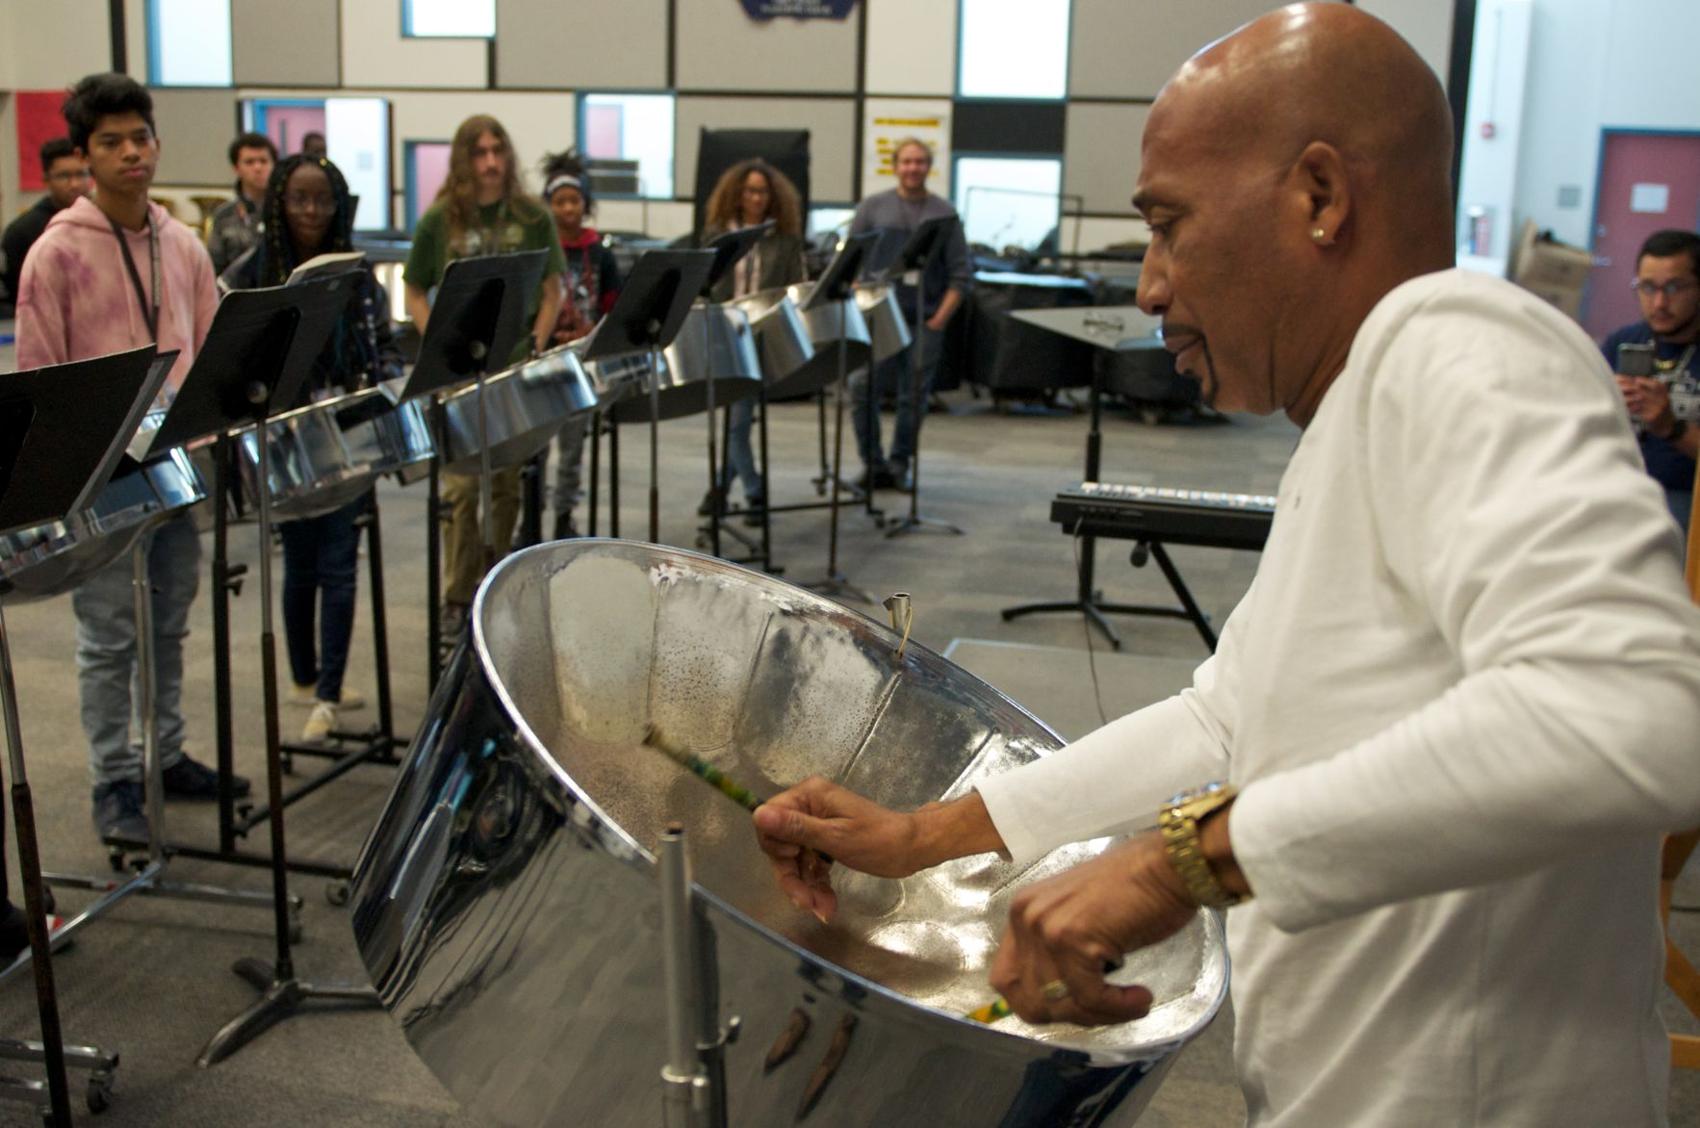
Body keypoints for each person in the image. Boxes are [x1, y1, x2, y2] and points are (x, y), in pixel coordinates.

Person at [750, 7, 1700, 1127]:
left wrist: (1174, 869)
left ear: (1318, 196)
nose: (1149, 286)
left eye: (1167, 225)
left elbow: (1635, 711)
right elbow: (1224, 721)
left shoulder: (1452, 341)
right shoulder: (1353, 417)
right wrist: (925, 834)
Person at [16, 73, 252, 844]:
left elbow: (214, 350)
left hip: (175, 471)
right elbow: (39, 382)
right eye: (111, 142)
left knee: (169, 625)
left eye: (140, 138)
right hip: (103, 482)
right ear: (85, 155)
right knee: (110, 633)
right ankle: (114, 777)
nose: (130, 154)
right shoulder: (55, 254)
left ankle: (167, 749)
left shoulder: (182, 244)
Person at [221, 154, 402, 743]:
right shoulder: (250, 274)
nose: (311, 211)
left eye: (322, 200)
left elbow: (379, 354)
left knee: (339, 565)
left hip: (344, 433)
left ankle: (328, 691)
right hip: (283, 438)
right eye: (298, 198)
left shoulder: (356, 274)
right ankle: (304, 679)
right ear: (278, 201)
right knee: (299, 565)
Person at [404, 114, 563, 639]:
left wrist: (537, 343)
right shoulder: (440, 220)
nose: (491, 162)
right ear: (464, 160)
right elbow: (414, 291)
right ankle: (457, 594)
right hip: (458, 374)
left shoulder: (532, 217)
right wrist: (442, 344)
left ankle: (494, 587)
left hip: (512, 366)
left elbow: (551, 289)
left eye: (498, 151)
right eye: (480, 153)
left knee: (506, 486)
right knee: (461, 490)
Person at [846, 137, 971, 491]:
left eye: (919, 162)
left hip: (924, 318)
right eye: (906, 161)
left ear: (929, 167)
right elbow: (853, 260)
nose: (912, 168)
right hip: (878, 317)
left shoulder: (944, 213)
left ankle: (900, 463)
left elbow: (961, 273)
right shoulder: (872, 208)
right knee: (860, 388)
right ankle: (873, 464)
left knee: (912, 395)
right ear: (895, 165)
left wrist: (939, 319)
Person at [698, 159, 808, 524]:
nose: (756, 198)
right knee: (738, 420)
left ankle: (723, 489)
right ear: (737, 194)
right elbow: (705, 285)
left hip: (761, 335)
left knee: (739, 419)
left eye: (762, 191)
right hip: (725, 333)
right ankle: (752, 490)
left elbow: (794, 287)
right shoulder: (718, 234)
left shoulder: (785, 238)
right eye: (750, 191)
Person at [540, 150, 619, 540]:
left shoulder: (600, 254)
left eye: (574, 200)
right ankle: (530, 513)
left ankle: (562, 514)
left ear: (585, 205)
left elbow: (613, 308)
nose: (568, 208)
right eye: (560, 201)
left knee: (572, 450)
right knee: (536, 449)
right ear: (548, 206)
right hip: (543, 361)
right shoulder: (542, 252)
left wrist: (592, 330)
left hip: (581, 365)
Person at [1601, 229, 1700, 535]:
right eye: (1647, 287)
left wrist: (1672, 427)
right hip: (1619, 489)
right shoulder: (1622, 343)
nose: (1659, 302)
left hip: (1686, 498)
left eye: (1673, 287)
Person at [1, 138, 89, 302]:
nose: (75, 184)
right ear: (46, 180)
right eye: (64, 176)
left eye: (81, 174)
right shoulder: (21, 233)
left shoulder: (106, 221)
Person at [206, 131, 276, 275]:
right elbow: (214, 268)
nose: (258, 168)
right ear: (236, 168)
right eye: (249, 162)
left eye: (263, 161)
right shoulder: (223, 215)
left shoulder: (285, 211)